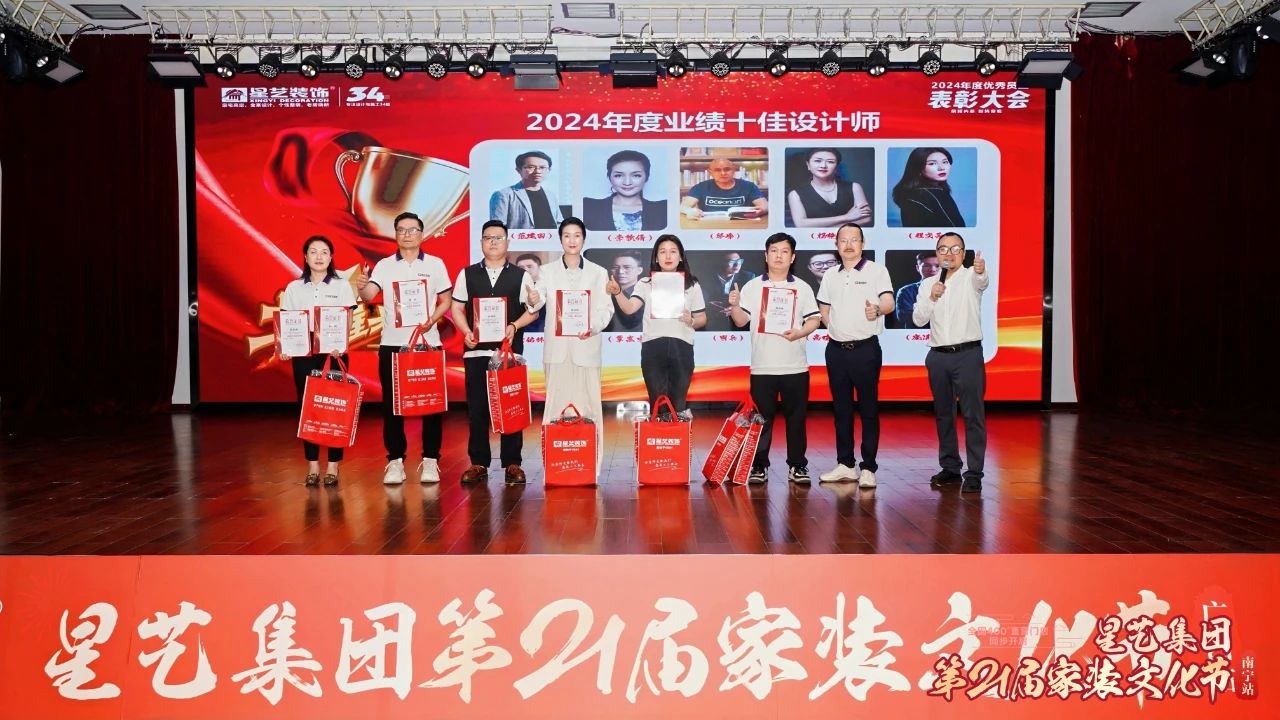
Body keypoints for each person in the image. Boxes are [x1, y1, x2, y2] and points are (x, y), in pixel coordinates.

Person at [356, 211, 454, 485]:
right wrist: (361, 287)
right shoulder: (385, 265)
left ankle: (431, 459)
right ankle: (395, 461)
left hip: (428, 343)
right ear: (396, 234)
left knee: (431, 404)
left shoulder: (435, 264)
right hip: (392, 344)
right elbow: (368, 296)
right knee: (392, 405)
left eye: (413, 230)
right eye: (402, 230)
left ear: (422, 234)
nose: (407, 234)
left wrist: (431, 320)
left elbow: (446, 300)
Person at [449, 221, 543, 485]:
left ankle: (512, 463)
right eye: (487, 237)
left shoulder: (521, 276)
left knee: (511, 408)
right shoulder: (467, 274)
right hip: (476, 353)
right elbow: (457, 308)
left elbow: (533, 312)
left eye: (498, 237)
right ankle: (478, 463)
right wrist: (466, 331)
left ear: (507, 243)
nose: (493, 242)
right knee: (477, 409)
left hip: (507, 355)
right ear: (481, 242)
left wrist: (515, 325)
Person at [729, 232, 821, 484]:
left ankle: (798, 465)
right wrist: (735, 305)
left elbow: (814, 319)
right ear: (766, 255)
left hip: (795, 366)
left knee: (796, 420)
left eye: (784, 251)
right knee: (761, 421)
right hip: (763, 367)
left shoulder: (802, 287)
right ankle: (759, 466)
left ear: (793, 257)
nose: (779, 256)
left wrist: (799, 332)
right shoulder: (752, 286)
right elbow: (740, 321)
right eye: (774, 251)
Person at [815, 224, 894, 488]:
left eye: (854, 240)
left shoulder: (877, 270)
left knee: (868, 409)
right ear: (836, 245)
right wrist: (833, 327)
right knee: (841, 410)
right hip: (836, 351)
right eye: (843, 240)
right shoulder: (830, 274)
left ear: (862, 243)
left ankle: (868, 467)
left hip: (865, 350)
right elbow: (824, 306)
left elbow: (889, 302)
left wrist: (877, 310)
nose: (848, 245)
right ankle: (846, 465)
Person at [912, 232, 988, 493]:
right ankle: (950, 467)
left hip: (968, 355)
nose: (949, 253)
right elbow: (918, 319)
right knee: (944, 414)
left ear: (963, 254)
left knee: (973, 415)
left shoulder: (971, 276)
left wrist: (981, 270)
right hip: (938, 356)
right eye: (943, 249)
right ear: (937, 253)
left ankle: (974, 473)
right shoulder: (928, 284)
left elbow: (982, 281)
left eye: (955, 249)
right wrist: (932, 297)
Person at [537, 217, 614, 473]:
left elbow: (606, 309)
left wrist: (592, 327)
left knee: (590, 407)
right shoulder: (547, 271)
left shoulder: (598, 272)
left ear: (583, 239)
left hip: (586, 347)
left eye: (577, 235)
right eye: (567, 235)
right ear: (560, 239)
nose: (572, 240)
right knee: (554, 406)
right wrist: (533, 298)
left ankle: (591, 466)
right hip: (557, 351)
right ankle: (555, 466)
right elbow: (537, 301)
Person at [281, 236, 358, 487]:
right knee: (308, 408)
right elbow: (288, 322)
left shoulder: (341, 286)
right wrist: (286, 347)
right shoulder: (294, 288)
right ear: (305, 257)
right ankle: (313, 464)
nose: (319, 257)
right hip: (304, 353)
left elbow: (347, 319)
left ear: (331, 257)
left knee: (336, 407)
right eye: (313, 252)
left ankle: (333, 465)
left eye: (324, 252)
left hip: (333, 352)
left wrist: (340, 343)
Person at [609, 235, 707, 414]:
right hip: (653, 346)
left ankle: (676, 432)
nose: (668, 256)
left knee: (678, 403)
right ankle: (659, 432)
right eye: (663, 252)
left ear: (680, 257)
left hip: (682, 347)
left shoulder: (692, 285)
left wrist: (691, 320)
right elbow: (630, 308)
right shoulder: (645, 283)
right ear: (656, 257)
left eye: (673, 251)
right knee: (657, 403)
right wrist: (618, 292)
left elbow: (702, 318)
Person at [582, 150, 668, 231]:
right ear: (609, 177)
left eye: (636, 175)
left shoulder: (663, 209)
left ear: (646, 177)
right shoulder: (589, 207)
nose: (627, 182)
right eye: (618, 175)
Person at [786, 148, 872, 228]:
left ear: (837, 166)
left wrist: (831, 228)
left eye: (830, 162)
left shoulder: (854, 187)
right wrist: (846, 217)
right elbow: (801, 224)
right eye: (817, 161)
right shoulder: (795, 194)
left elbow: (866, 218)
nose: (823, 165)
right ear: (808, 165)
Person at [891, 147, 966, 227]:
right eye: (932, 163)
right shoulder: (936, 194)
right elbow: (957, 229)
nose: (941, 168)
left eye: (945, 162)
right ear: (918, 168)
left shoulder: (911, 194)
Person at [489, 151, 564, 230]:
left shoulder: (551, 196)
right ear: (519, 170)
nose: (537, 171)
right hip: (521, 238)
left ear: (549, 170)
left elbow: (559, 223)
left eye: (542, 167)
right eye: (531, 167)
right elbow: (497, 228)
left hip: (550, 238)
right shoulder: (504, 195)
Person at [681, 157, 768, 219]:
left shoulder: (749, 186)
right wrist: (689, 211)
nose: (723, 173)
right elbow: (683, 207)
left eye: (727, 169)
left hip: (742, 225)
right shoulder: (700, 187)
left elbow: (765, 206)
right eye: (717, 170)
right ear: (710, 173)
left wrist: (761, 210)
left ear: (733, 171)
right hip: (710, 226)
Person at [704, 252, 757, 331]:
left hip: (739, 320)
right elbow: (703, 300)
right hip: (712, 318)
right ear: (721, 262)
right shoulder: (706, 277)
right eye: (731, 262)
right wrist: (710, 306)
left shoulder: (748, 277)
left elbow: (751, 301)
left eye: (739, 261)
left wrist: (734, 308)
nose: (737, 265)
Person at [895, 251, 941, 329]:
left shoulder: (951, 290)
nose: (933, 269)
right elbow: (905, 318)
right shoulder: (906, 291)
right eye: (926, 266)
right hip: (917, 334)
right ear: (917, 268)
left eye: (937, 266)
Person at [603, 252, 644, 332]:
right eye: (615, 267)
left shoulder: (648, 292)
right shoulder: (605, 294)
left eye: (627, 267)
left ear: (639, 270)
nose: (620, 271)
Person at [514, 253, 546, 332]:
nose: (525, 270)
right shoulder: (513, 288)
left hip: (544, 332)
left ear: (539, 268)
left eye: (529, 266)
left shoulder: (548, 287)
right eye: (521, 267)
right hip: (518, 332)